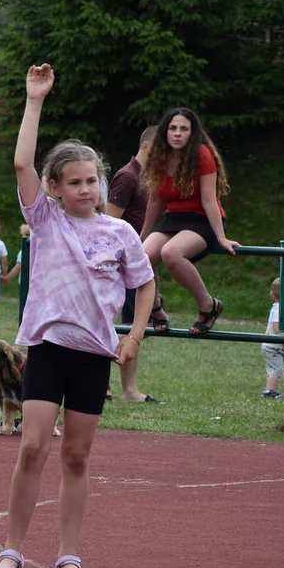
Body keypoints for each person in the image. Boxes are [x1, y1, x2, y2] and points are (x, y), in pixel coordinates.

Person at [0, 64, 154, 568]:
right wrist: (34, 100)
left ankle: (68, 558)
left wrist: (134, 336)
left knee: (76, 455)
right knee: (33, 446)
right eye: (74, 182)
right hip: (48, 349)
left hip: (93, 355)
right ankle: (11, 553)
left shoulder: (120, 232)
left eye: (92, 181)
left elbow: (144, 285)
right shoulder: (46, 219)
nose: (85, 189)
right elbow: (21, 162)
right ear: (54, 188)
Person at [140, 107, 238, 335]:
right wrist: (142, 235)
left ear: (192, 133)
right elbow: (155, 201)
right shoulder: (159, 155)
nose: (177, 133)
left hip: (202, 220)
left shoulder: (202, 155)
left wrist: (221, 238)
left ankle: (209, 306)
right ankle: (155, 308)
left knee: (171, 252)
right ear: (165, 131)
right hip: (174, 219)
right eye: (173, 128)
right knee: (142, 255)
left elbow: (209, 200)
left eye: (184, 129)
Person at [105, 125, 159, 403]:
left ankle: (127, 389)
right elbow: (109, 221)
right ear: (148, 146)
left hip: (135, 265)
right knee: (114, 324)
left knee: (132, 325)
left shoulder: (148, 178)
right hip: (119, 266)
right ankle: (115, 387)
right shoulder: (127, 177)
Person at [261, 278, 284, 399]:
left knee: (273, 368)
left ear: (272, 295)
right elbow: (277, 328)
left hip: (272, 346)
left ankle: (269, 388)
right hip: (272, 347)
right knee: (277, 369)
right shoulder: (279, 309)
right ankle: (269, 391)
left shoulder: (279, 308)